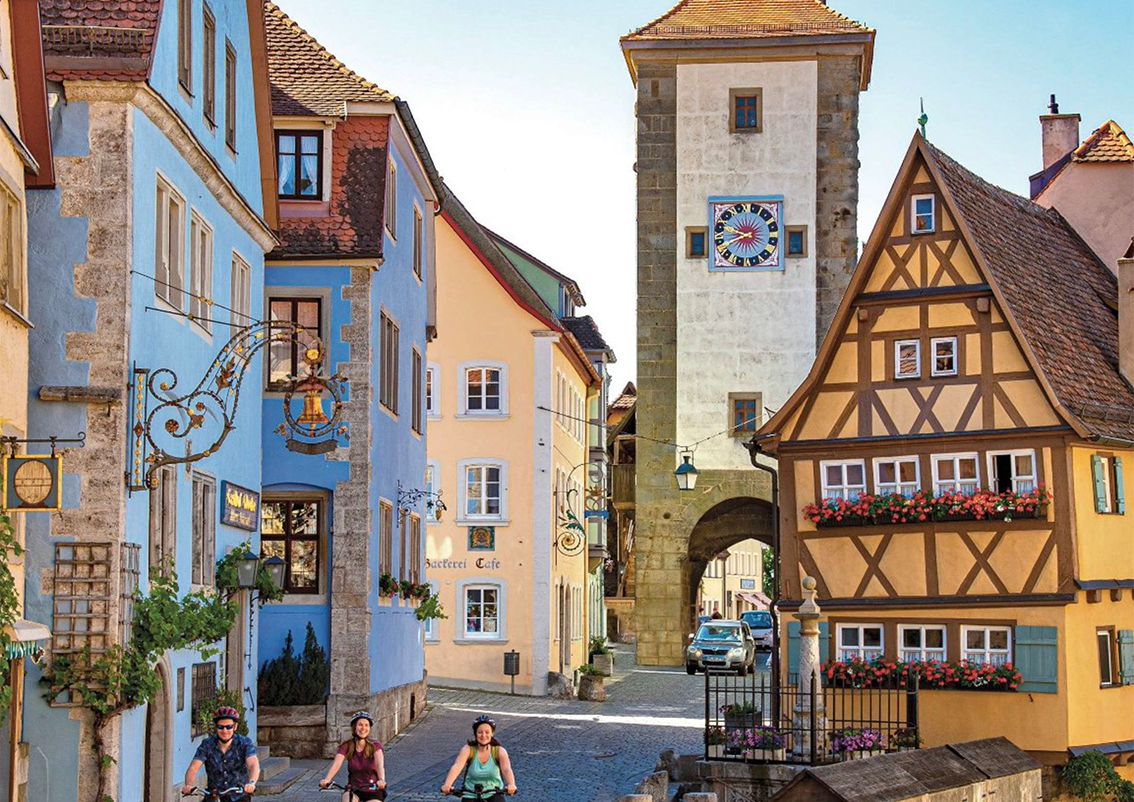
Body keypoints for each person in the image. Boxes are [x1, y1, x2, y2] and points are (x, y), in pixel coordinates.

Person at [181, 706, 259, 800]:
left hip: (239, 796)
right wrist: (188, 785)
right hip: (214, 796)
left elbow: (253, 765)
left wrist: (251, 783)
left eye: (228, 727)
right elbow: (194, 767)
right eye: (220, 727)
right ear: (216, 727)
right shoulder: (207, 745)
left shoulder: (244, 743)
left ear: (235, 727)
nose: (224, 731)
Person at [440, 716, 517, 800]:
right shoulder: (468, 750)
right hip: (470, 793)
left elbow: (506, 769)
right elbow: (457, 766)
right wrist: (447, 784)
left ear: (492, 733)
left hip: (494, 793)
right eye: (480, 732)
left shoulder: (499, 752)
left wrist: (511, 784)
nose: (483, 735)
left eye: (487, 732)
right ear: (475, 733)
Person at [318, 711, 387, 801]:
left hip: (373, 789)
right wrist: (327, 779)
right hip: (354, 789)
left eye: (366, 725)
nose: (363, 728)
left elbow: (379, 765)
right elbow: (336, 764)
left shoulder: (375, 746)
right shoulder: (347, 746)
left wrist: (381, 780)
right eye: (360, 725)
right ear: (354, 727)